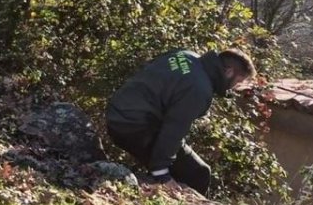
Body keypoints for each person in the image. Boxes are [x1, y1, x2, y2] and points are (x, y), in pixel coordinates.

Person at [105, 48, 256, 195]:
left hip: (117, 112)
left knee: (180, 160)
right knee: (199, 174)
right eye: (238, 81)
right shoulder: (199, 89)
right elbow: (173, 131)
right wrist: (162, 174)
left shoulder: (184, 55)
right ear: (229, 72)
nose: (235, 88)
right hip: (132, 127)